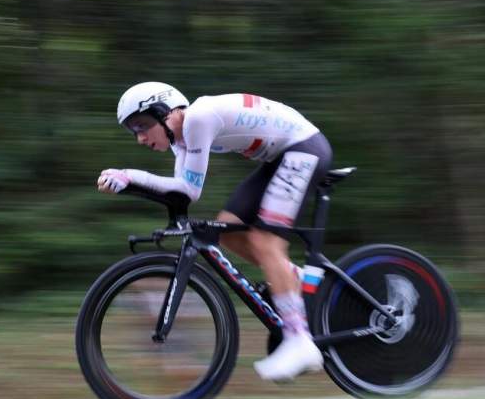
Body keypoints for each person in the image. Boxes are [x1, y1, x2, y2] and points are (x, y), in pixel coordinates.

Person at [97, 81, 333, 381]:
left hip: (304, 149)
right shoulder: (180, 137)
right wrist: (131, 183)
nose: (140, 138)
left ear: (165, 113)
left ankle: (299, 340)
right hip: (280, 158)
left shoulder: (198, 118)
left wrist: (129, 176)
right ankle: (292, 282)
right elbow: (181, 193)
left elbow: (189, 190)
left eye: (142, 126)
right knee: (228, 230)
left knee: (265, 242)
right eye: (133, 131)